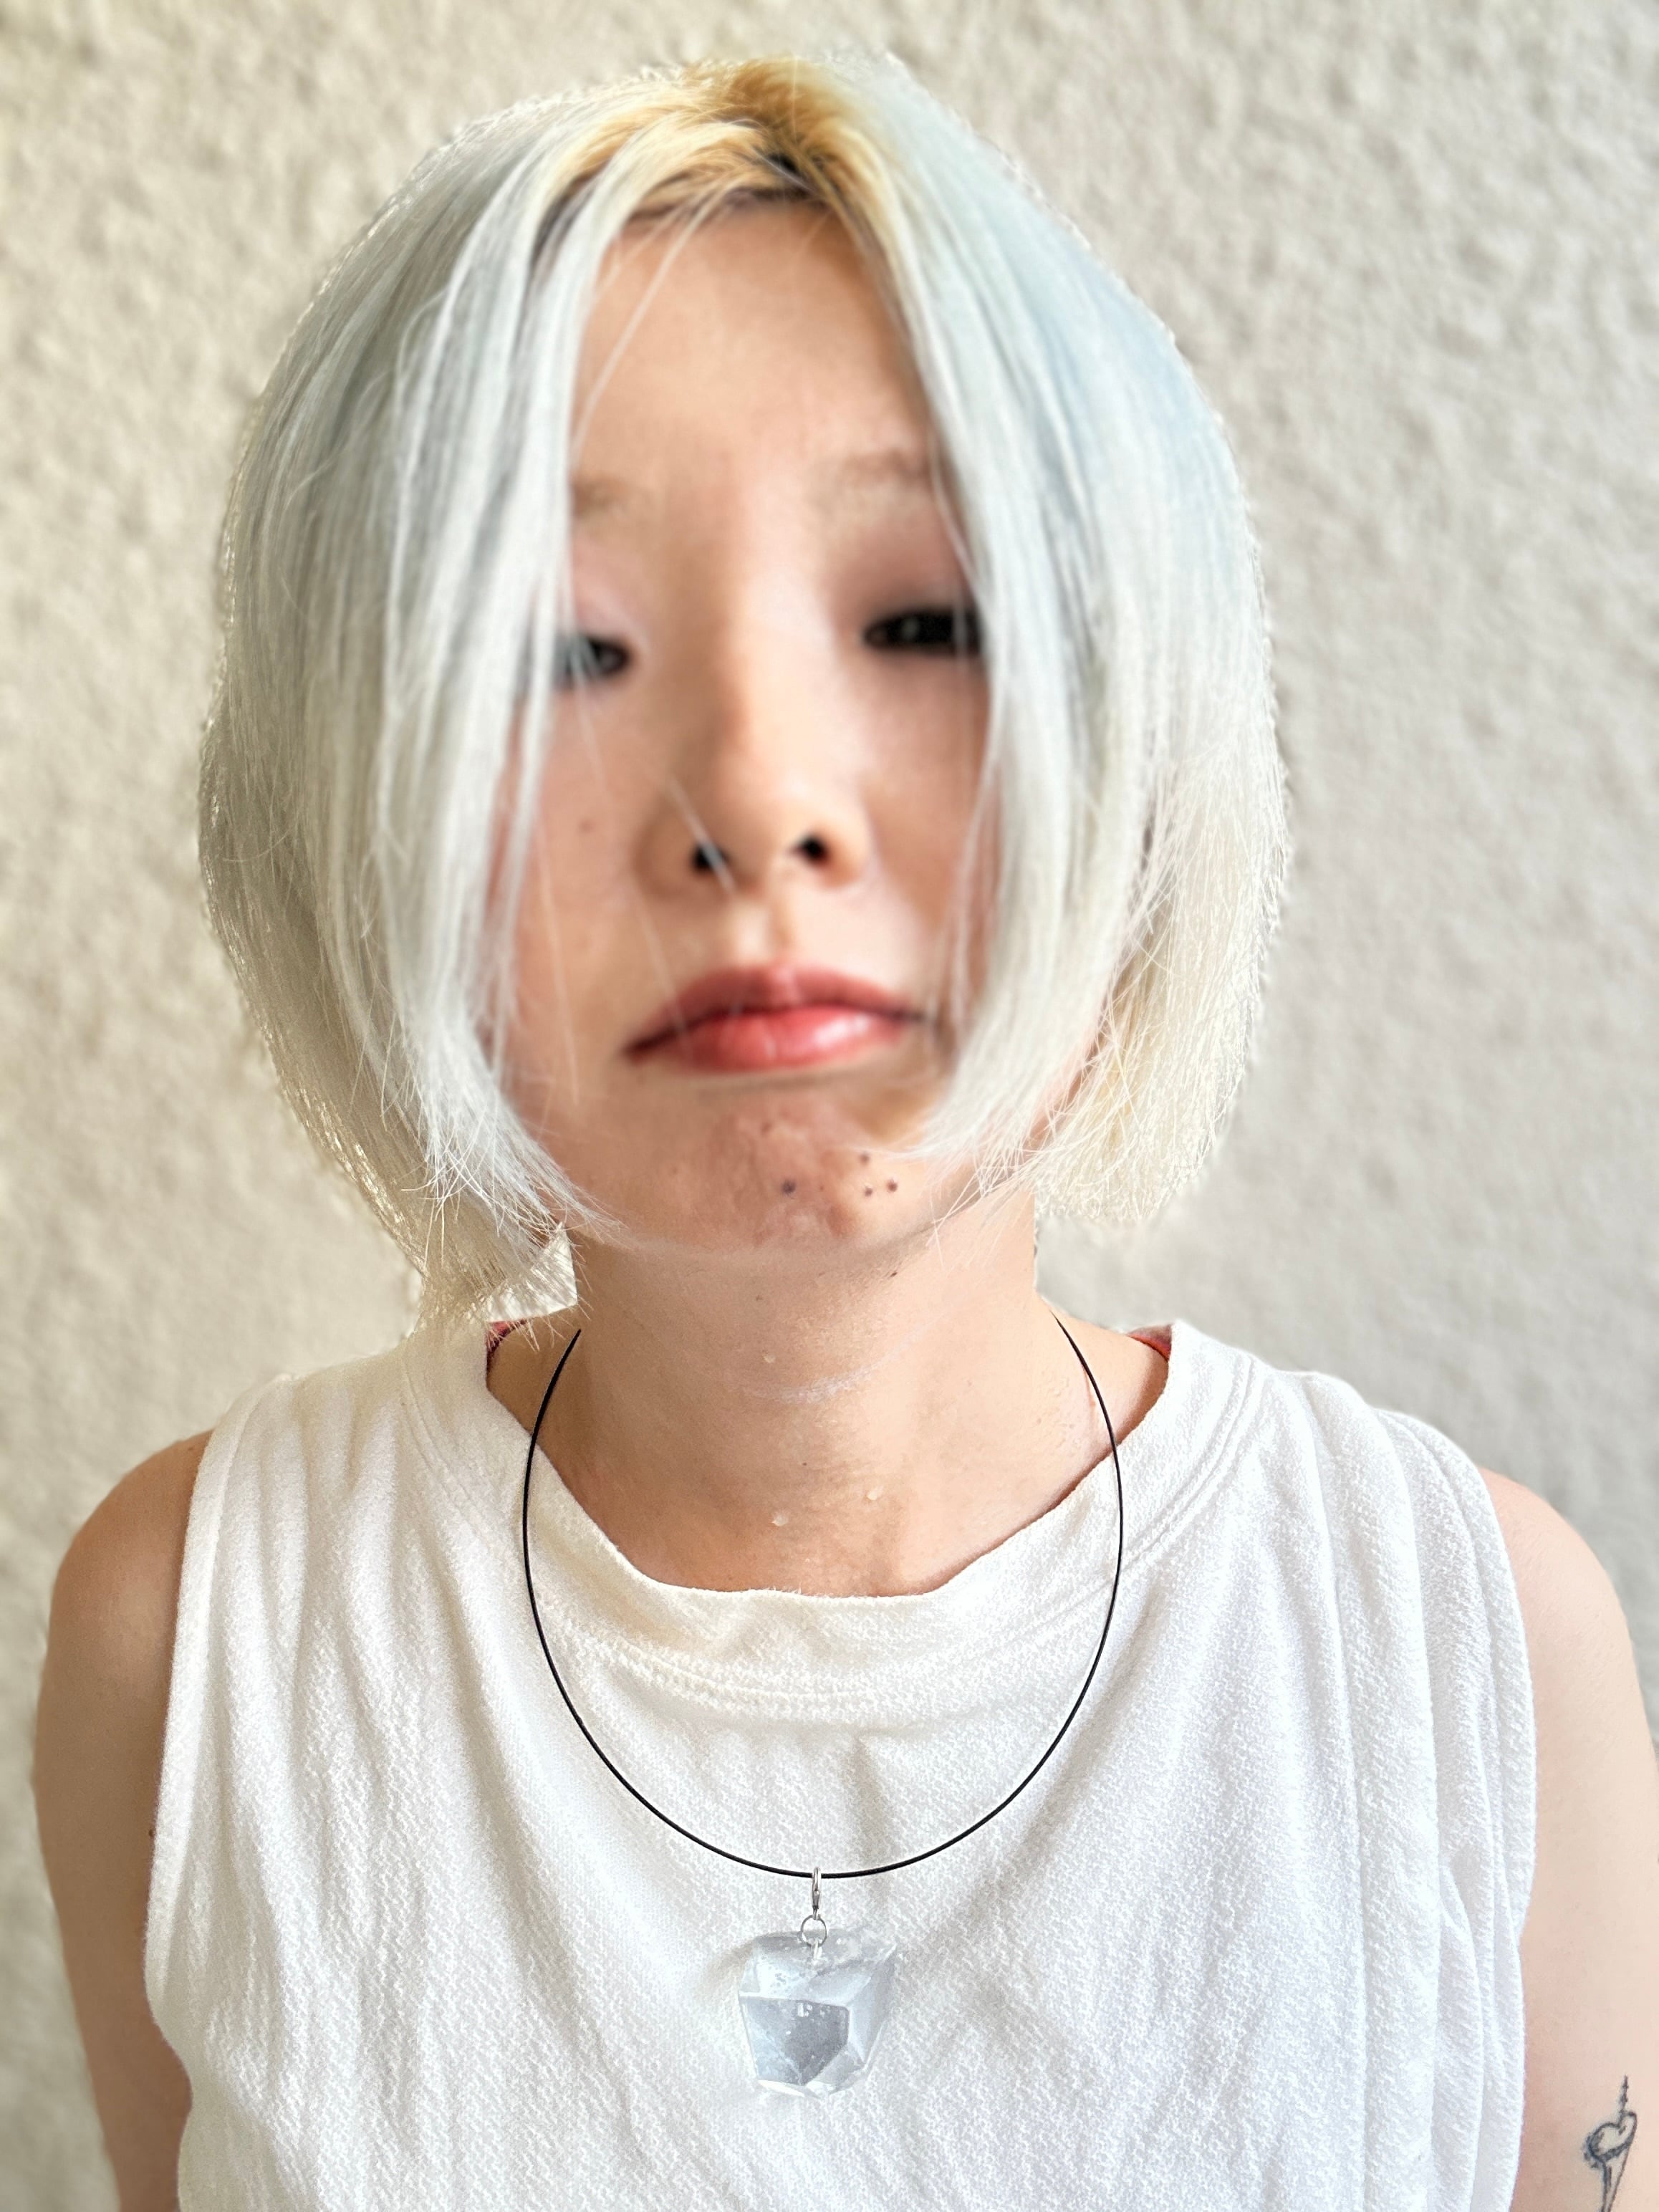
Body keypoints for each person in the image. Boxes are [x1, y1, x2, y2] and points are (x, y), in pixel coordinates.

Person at [32, 52, 1658, 2212]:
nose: (759, 801)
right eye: (559, 650)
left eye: (925, 623)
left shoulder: (1467, 1642)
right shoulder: (194, 1638)